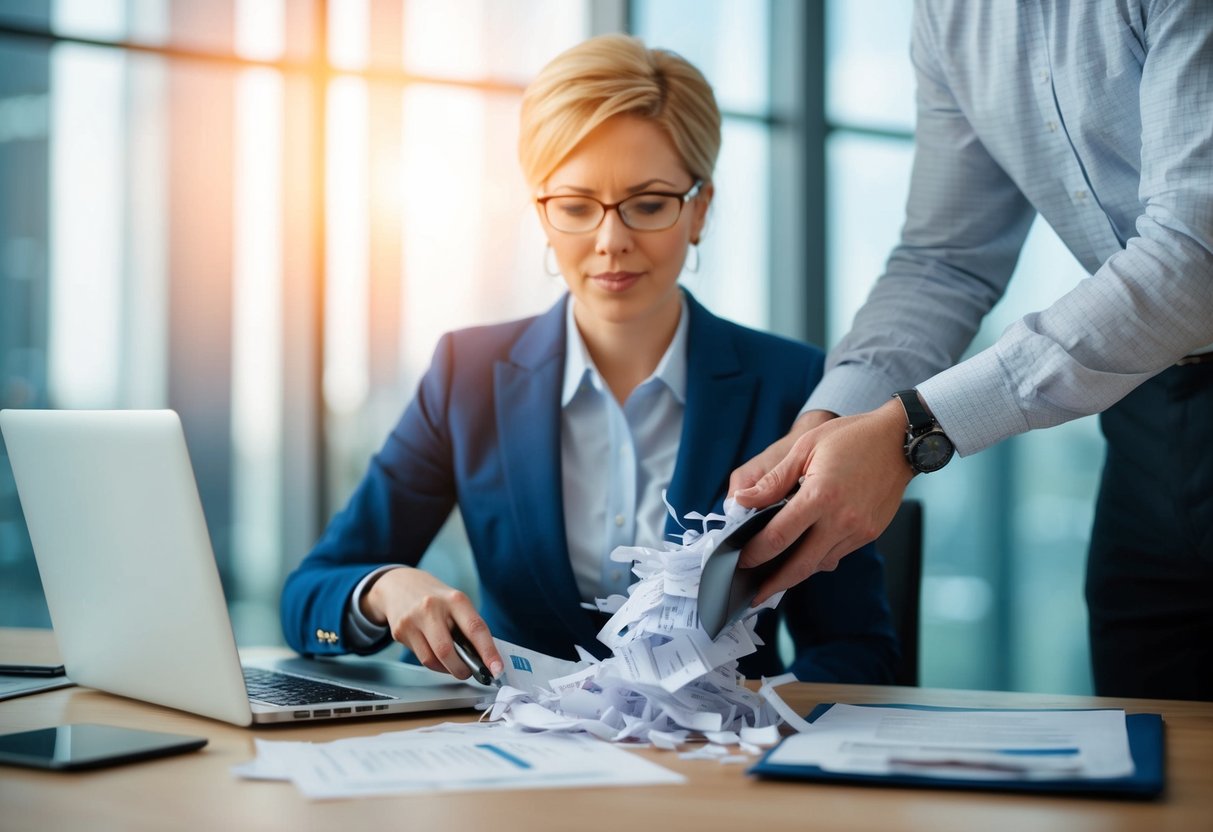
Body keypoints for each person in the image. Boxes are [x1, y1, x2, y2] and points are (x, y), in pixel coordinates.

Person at [281, 34, 898, 685]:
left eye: (648, 204)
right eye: (575, 207)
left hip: (718, 768)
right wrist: (385, 586)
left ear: (700, 210)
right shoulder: (468, 374)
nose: (610, 241)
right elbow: (310, 592)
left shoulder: (795, 387)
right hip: (512, 760)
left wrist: (761, 712)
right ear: (542, 217)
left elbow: (859, 647)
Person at [731, 1, 1213, 700]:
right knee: (1152, 748)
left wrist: (912, 430)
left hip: (1154, 357)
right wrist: (829, 423)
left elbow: (1194, 253)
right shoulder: (948, 17)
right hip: (1146, 420)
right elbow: (945, 260)